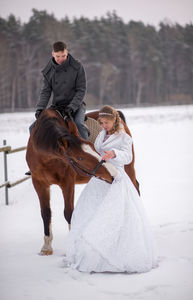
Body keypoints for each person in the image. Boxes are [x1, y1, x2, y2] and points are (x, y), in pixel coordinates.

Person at [64, 105, 158, 273]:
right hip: (100, 177)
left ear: (114, 120)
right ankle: (89, 251)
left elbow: (128, 157)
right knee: (89, 212)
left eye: (106, 122)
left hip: (116, 177)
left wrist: (114, 153)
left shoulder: (124, 137)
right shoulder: (101, 134)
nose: (104, 125)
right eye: (102, 122)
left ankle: (117, 252)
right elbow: (98, 150)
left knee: (117, 215)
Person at [35, 41, 88, 140]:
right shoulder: (48, 71)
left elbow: (81, 90)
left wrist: (72, 107)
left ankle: (88, 151)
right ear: (53, 54)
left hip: (76, 105)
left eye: (63, 56)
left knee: (78, 124)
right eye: (57, 56)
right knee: (34, 127)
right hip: (57, 107)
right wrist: (40, 108)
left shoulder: (77, 67)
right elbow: (46, 91)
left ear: (67, 52)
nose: (61, 59)